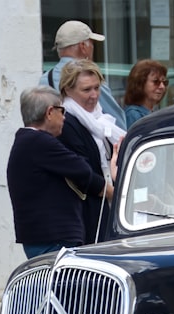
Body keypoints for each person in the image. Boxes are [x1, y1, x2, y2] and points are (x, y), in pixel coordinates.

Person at [7, 86, 109, 258]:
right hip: (54, 238)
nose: (64, 117)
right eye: (62, 111)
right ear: (49, 112)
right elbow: (83, 170)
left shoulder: (28, 141)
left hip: (44, 236)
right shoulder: (39, 141)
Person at [57, 59, 125, 243]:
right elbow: (82, 172)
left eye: (97, 88)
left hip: (108, 207)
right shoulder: (66, 122)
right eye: (86, 90)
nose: (94, 95)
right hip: (86, 212)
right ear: (67, 90)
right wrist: (119, 194)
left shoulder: (101, 119)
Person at [40, 20, 127, 131]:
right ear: (83, 47)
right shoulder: (91, 79)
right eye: (91, 43)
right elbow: (116, 118)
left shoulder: (45, 79)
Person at [123, 59, 168, 127]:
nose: (162, 86)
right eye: (156, 81)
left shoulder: (151, 112)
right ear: (140, 83)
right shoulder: (133, 115)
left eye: (164, 82)